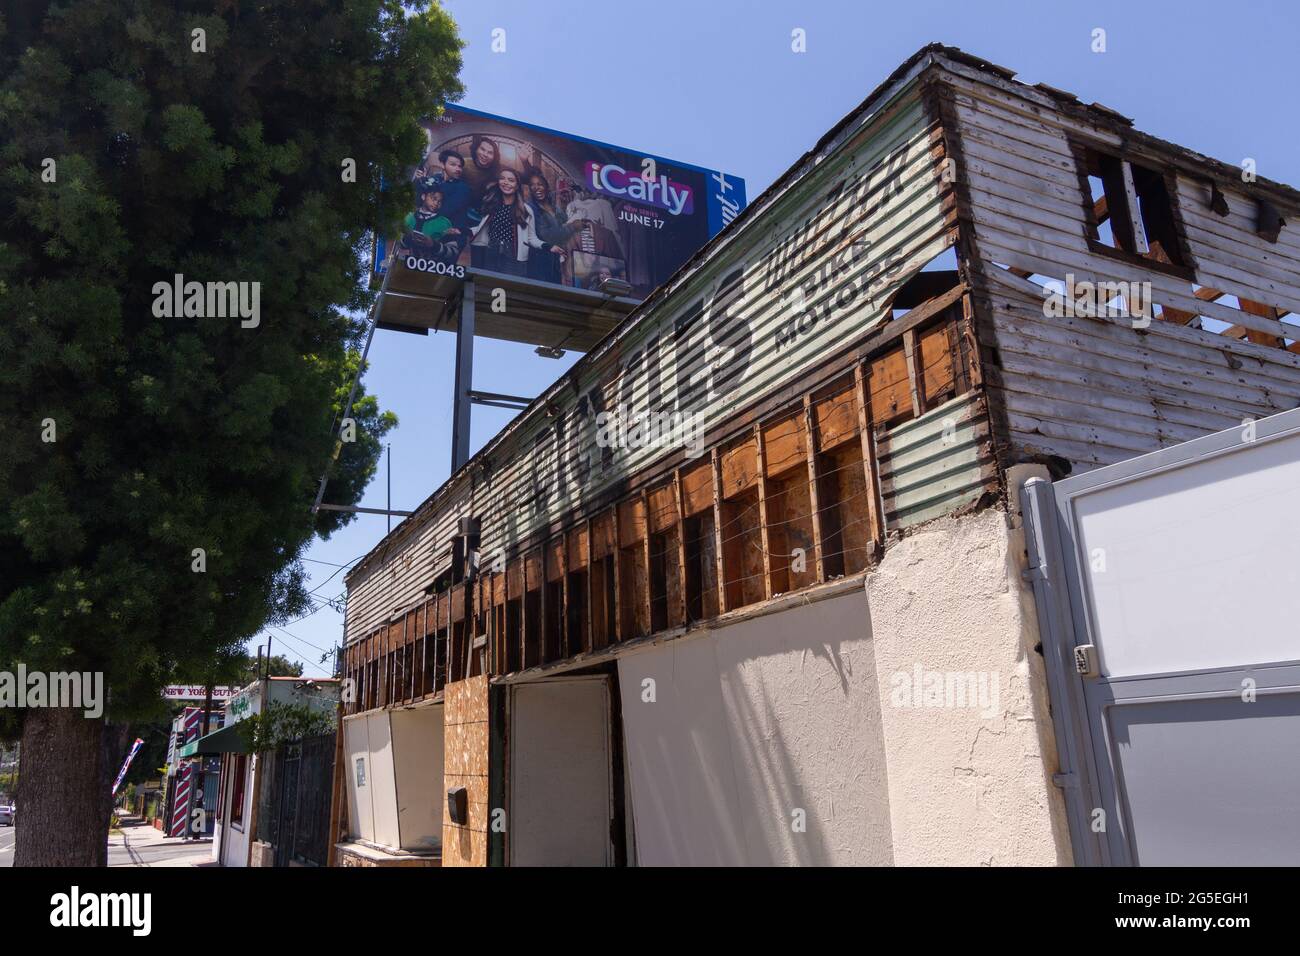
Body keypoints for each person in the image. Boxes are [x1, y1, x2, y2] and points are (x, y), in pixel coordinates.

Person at [468, 168, 564, 276]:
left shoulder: (526, 210)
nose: (506, 183)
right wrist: (464, 231)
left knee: (509, 289)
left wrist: (549, 246)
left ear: (517, 185)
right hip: (491, 252)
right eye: (502, 179)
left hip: (513, 257)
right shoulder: (492, 204)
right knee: (489, 286)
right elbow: (483, 229)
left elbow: (531, 238)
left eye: (511, 180)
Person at [524, 171, 568, 283]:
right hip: (537, 259)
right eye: (532, 185)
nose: (536, 188)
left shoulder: (554, 207)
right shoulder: (529, 207)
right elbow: (530, 238)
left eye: (540, 184)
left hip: (554, 260)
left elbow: (563, 223)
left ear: (546, 187)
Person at [401, 184, 461, 263]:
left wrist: (434, 245)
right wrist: (408, 238)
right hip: (410, 265)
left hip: (433, 269)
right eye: (433, 199)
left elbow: (454, 252)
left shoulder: (444, 223)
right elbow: (399, 244)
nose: (436, 203)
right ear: (423, 197)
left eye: (440, 201)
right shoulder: (409, 217)